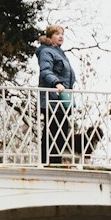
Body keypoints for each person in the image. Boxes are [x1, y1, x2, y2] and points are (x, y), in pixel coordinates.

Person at [37, 24, 76, 165]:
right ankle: (47, 161)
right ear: (50, 37)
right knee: (53, 130)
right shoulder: (46, 52)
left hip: (61, 99)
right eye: (57, 34)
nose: (61, 36)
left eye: (62, 34)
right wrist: (56, 83)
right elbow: (45, 70)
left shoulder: (59, 52)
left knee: (62, 131)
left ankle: (55, 160)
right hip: (52, 98)